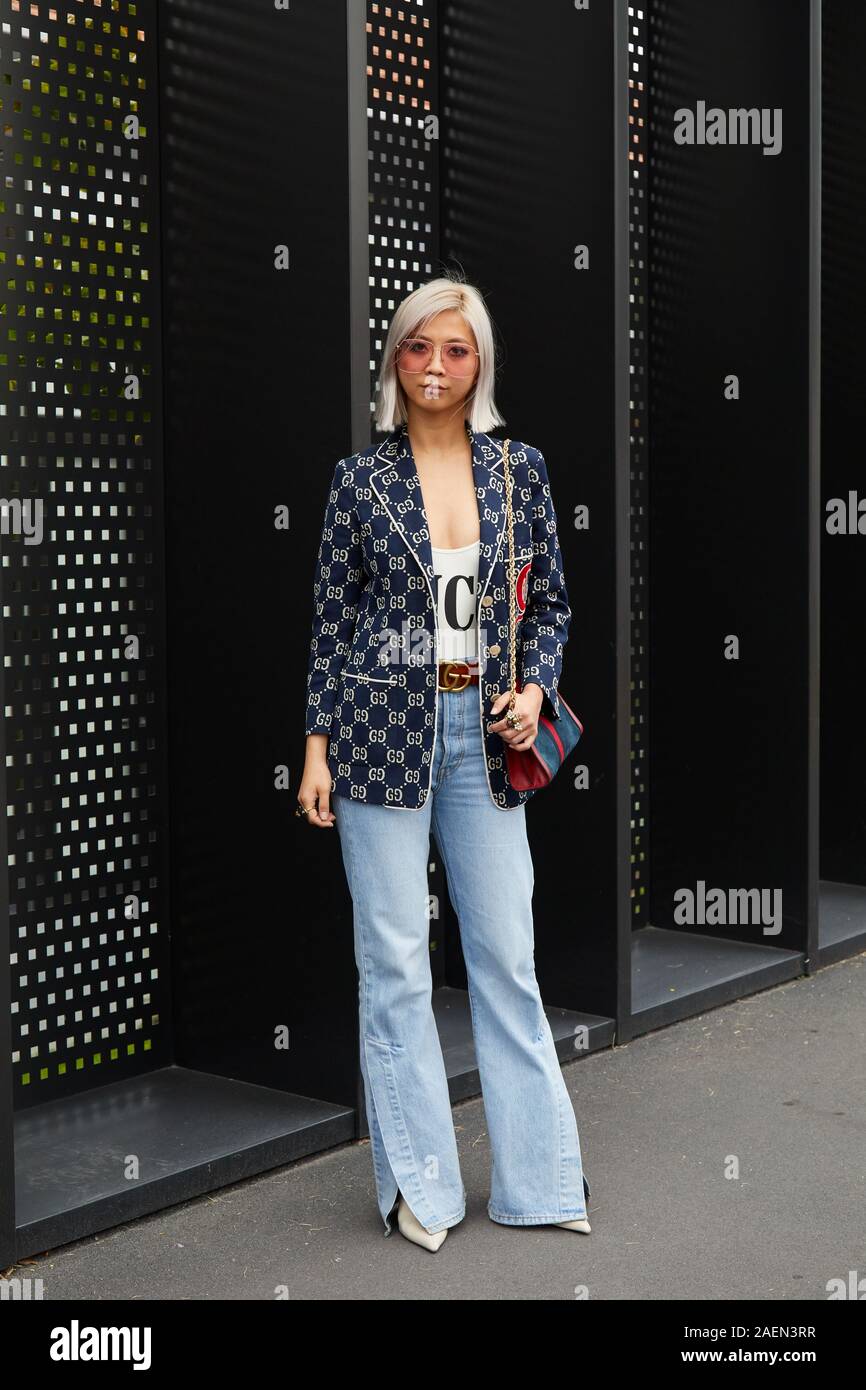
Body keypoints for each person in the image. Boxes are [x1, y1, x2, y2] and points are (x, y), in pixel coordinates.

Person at [298, 274, 590, 1251]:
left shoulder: (521, 470)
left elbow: (548, 603)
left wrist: (536, 691)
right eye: (418, 347)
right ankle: (420, 1189)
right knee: (393, 965)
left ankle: (539, 1181)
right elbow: (332, 629)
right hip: (378, 739)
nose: (435, 366)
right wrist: (314, 746)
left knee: (505, 954)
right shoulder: (357, 481)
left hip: (485, 736)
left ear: (480, 362)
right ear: (393, 356)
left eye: (455, 350)